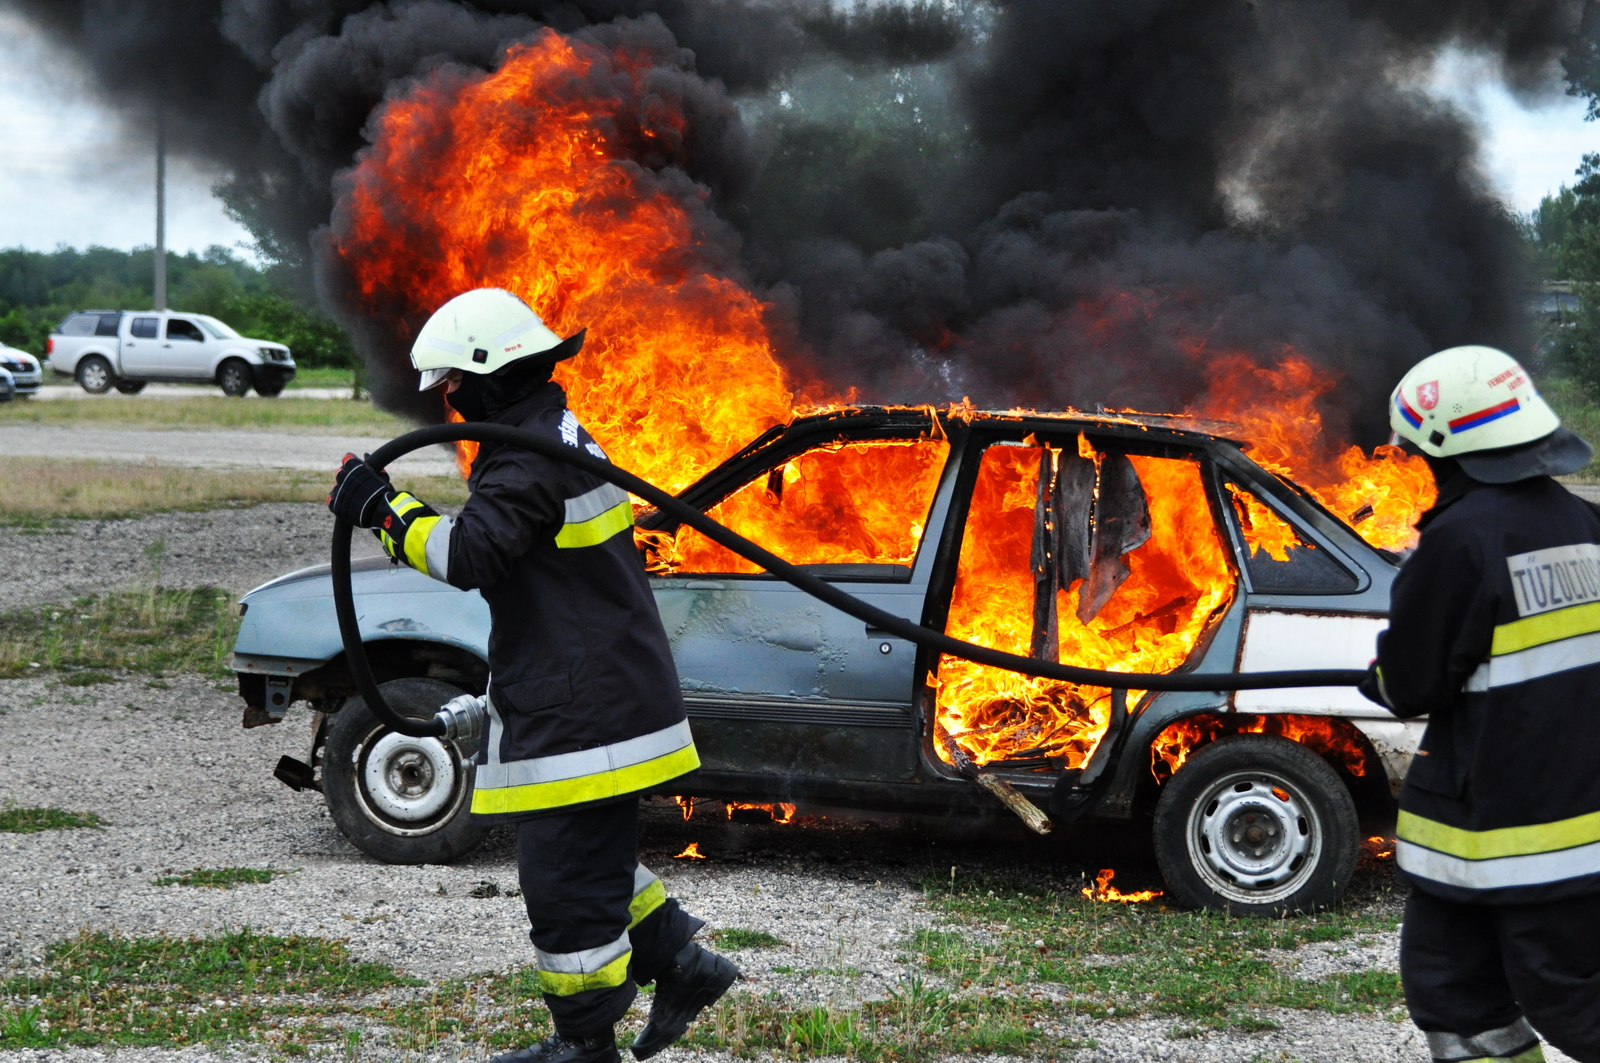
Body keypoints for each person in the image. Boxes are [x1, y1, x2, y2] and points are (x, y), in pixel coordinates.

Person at [327, 288, 737, 1063]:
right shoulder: (552, 436)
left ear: (489, 375)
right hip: (601, 692)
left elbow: (470, 555)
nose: (450, 401)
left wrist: (382, 509)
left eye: (453, 385)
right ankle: (684, 962)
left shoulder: (527, 459)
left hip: (585, 710)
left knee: (560, 877)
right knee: (594, 859)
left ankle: (583, 1043)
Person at [1360, 345, 1600, 1063]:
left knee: (1574, 1012)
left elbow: (1408, 685)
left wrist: (1379, 676)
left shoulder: (1460, 541)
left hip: (1514, 842)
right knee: (1456, 1002)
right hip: (1514, 846)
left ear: (1445, 448)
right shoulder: (1587, 528)